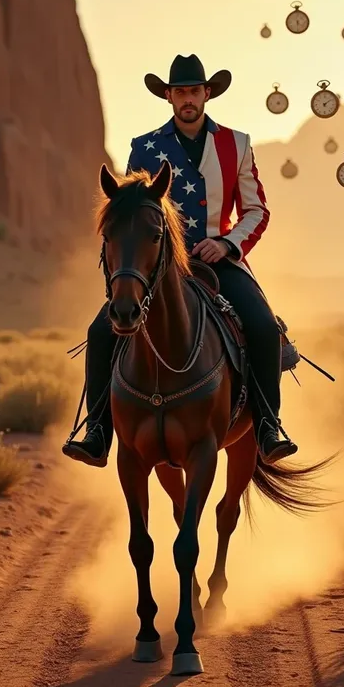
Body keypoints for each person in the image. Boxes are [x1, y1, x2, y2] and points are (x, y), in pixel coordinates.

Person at [62, 54, 298, 467]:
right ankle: (97, 432)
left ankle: (266, 425)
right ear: (168, 97)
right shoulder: (145, 147)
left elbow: (256, 210)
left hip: (218, 260)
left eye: (194, 91)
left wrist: (227, 244)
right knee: (100, 333)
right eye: (180, 92)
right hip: (158, 266)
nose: (187, 99)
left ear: (207, 94)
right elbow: (132, 212)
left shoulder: (236, 144)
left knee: (261, 325)